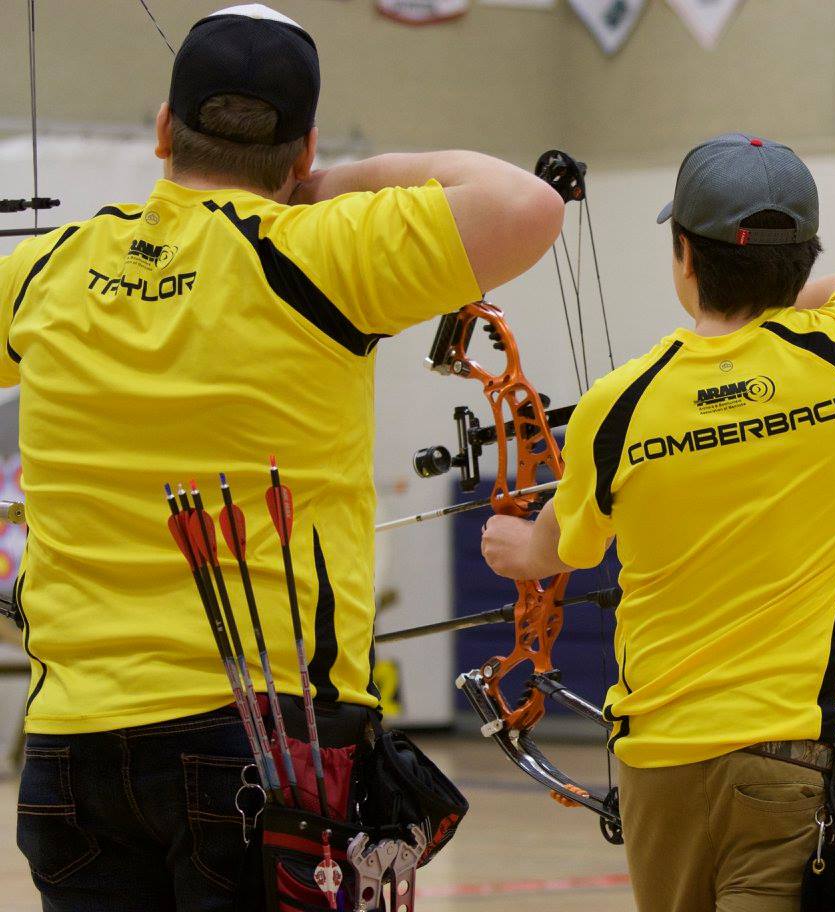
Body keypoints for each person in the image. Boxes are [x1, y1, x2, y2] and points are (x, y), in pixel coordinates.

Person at [4, 5, 564, 909]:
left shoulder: (49, 269)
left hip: (74, 745)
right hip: (266, 741)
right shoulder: (317, 253)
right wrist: (331, 184)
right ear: (302, 150)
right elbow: (526, 203)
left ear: (163, 129)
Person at [480, 133, 835, 912]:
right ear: (805, 257)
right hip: (793, 761)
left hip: (660, 766)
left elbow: (562, 546)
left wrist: (516, 549)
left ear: (684, 255)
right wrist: (772, 303)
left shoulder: (621, 403)